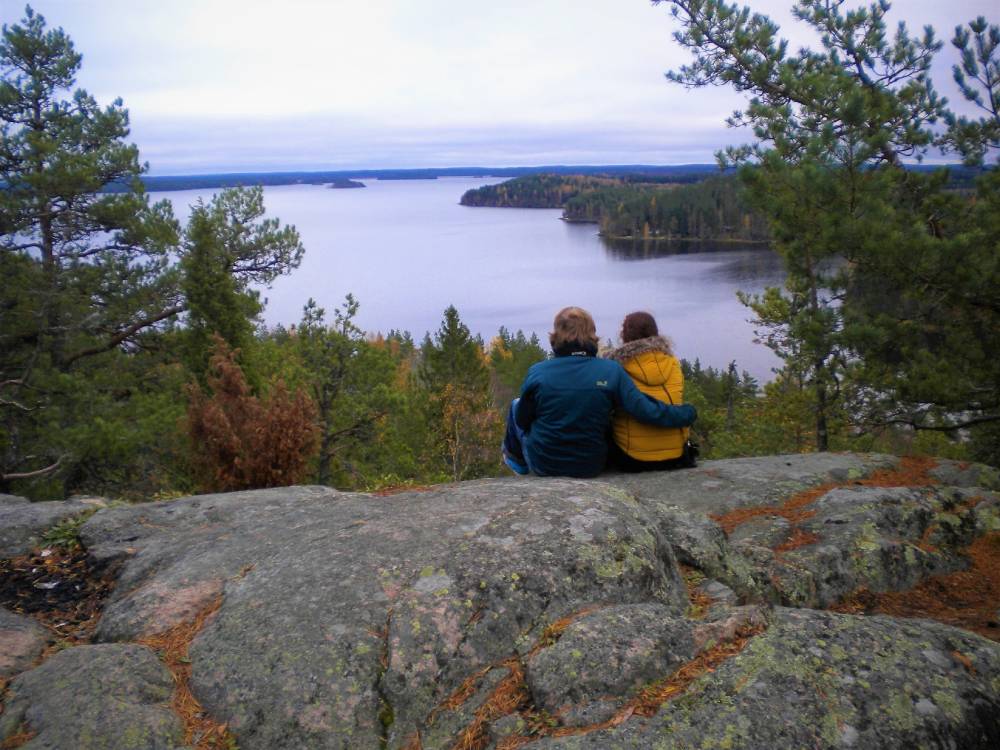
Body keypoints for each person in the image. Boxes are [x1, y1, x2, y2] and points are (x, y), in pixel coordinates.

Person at [502, 307, 696, 478]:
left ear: (556, 336)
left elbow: (522, 420)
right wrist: (685, 413)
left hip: (545, 465)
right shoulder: (610, 370)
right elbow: (644, 409)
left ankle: (518, 464)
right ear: (592, 335)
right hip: (591, 465)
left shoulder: (538, 372)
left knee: (516, 405)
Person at [604, 311, 692, 471]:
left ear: (624, 336)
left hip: (633, 458)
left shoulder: (617, 367)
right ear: (655, 333)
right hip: (677, 455)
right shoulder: (672, 363)